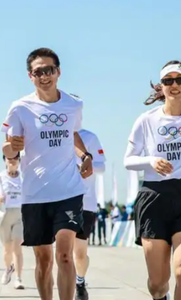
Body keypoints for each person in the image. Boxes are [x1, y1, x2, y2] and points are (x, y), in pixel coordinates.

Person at [2, 48, 93, 300]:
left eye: (49, 70)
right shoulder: (20, 108)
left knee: (64, 254)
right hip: (35, 194)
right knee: (43, 260)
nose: (44, 76)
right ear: (30, 76)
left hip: (69, 191)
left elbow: (72, 134)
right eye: (38, 72)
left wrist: (85, 156)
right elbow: (7, 147)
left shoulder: (74, 104)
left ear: (58, 72)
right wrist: (12, 148)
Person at [125, 59, 181, 300]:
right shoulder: (146, 120)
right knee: (157, 283)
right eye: (168, 81)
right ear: (161, 87)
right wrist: (151, 161)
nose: (174, 85)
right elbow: (128, 160)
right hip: (154, 197)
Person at [74, 127, 107, 300]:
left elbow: (102, 167)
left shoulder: (90, 137)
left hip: (85, 202)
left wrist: (87, 163)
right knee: (63, 251)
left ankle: (80, 281)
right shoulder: (56, 133)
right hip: (60, 200)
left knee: (79, 254)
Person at [0, 154, 25, 290]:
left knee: (17, 246)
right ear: (5, 161)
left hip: (20, 215)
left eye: (15, 158)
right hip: (4, 215)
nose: (12, 160)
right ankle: (9, 268)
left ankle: (19, 279)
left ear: (19, 160)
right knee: (8, 249)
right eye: (9, 158)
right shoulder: (0, 177)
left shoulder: (23, 177)